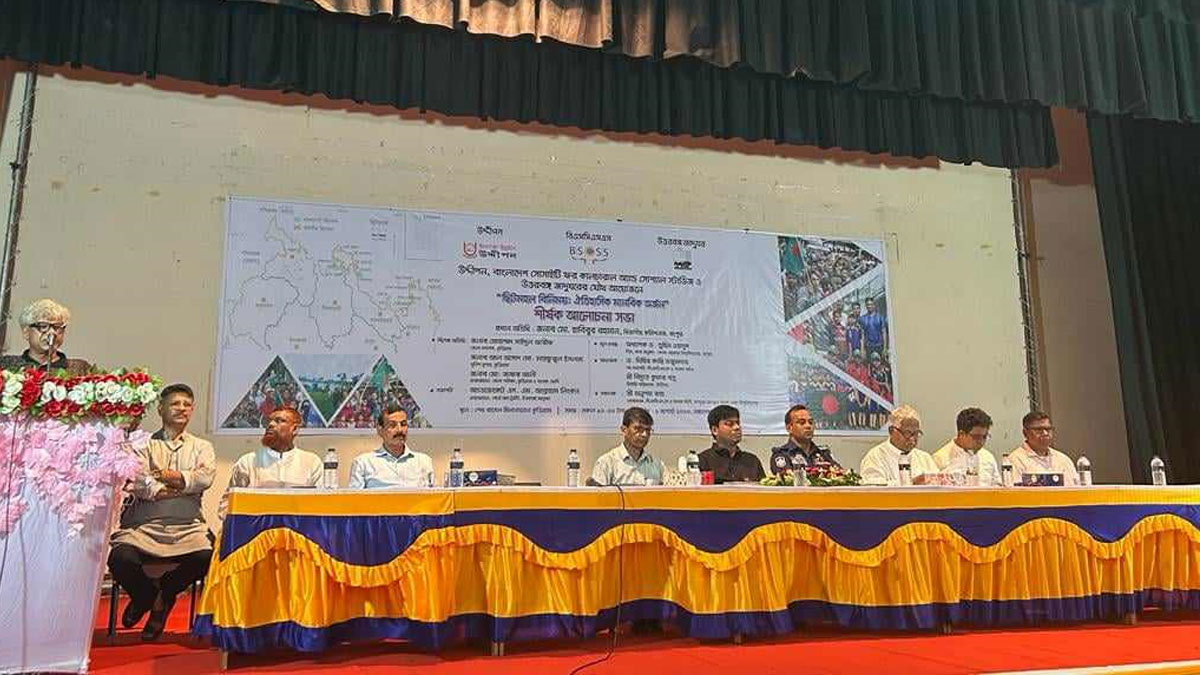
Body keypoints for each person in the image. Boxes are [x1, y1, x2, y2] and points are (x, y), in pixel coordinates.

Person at [108, 383, 215, 641]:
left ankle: (165, 594)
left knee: (207, 556)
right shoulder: (142, 443)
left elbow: (205, 478)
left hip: (188, 527)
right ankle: (146, 595)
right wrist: (181, 485)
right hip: (143, 527)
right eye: (175, 404)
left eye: (187, 405)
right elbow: (137, 481)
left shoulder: (202, 446)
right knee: (120, 558)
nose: (182, 409)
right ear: (160, 409)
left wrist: (164, 476)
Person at [219, 407, 322, 517]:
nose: (271, 424)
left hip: (299, 527)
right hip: (256, 527)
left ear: (295, 429)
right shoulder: (248, 462)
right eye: (269, 421)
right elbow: (227, 504)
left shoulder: (312, 462)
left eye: (279, 421)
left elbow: (321, 503)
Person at [348, 406, 434, 488]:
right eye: (392, 425)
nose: (400, 430)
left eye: (403, 424)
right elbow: (354, 497)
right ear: (380, 430)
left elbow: (433, 495)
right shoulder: (363, 463)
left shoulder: (424, 461)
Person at [0, 298, 91, 375]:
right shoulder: (7, 365)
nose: (52, 332)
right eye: (43, 326)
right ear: (26, 332)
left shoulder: (80, 369)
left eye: (57, 327)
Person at [859, 405, 938, 486]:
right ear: (891, 431)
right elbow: (872, 486)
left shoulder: (924, 458)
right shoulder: (875, 457)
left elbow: (940, 485)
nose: (912, 439)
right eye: (907, 433)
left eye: (916, 433)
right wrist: (911, 483)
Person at [591, 407, 665, 486]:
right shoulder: (607, 462)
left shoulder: (657, 465)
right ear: (624, 430)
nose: (644, 434)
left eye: (648, 430)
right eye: (638, 429)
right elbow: (598, 493)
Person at [1007, 411, 1080, 486]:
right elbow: (1015, 491)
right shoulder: (1015, 460)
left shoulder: (1063, 460)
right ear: (1025, 433)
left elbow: (1077, 488)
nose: (1045, 433)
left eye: (1048, 429)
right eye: (1039, 429)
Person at [932, 407, 1001, 486]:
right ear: (961, 434)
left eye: (985, 436)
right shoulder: (940, 458)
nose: (981, 442)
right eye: (976, 437)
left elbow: (998, 486)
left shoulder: (988, 457)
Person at [697, 405, 764, 483]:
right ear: (715, 430)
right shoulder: (702, 461)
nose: (737, 427)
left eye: (738, 423)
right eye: (729, 424)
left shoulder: (752, 461)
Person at [769, 404, 840, 476]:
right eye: (802, 423)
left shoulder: (823, 454)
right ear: (789, 428)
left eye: (811, 422)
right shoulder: (781, 455)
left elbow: (840, 475)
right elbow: (788, 479)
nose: (808, 426)